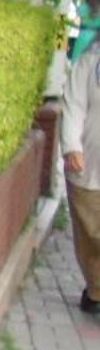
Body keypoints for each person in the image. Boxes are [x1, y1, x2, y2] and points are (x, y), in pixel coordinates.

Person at [68, 22, 100, 314]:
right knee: (91, 232)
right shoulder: (91, 61)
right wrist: (71, 145)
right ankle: (96, 288)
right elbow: (75, 104)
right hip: (89, 162)